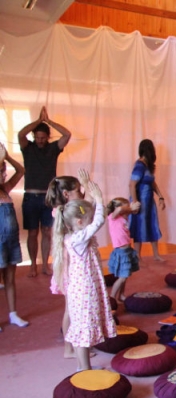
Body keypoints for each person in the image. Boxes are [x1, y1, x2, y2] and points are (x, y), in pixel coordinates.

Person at [51, 181, 116, 371]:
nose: (91, 222)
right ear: (80, 222)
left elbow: (91, 218)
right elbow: (99, 222)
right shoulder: (78, 239)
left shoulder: (73, 236)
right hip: (84, 291)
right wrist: (99, 199)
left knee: (82, 328)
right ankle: (84, 369)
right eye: (88, 219)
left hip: (81, 290)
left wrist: (93, 201)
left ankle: (83, 367)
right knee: (83, 330)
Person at [18, 106, 71, 277]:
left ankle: (45, 265)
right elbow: (21, 134)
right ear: (34, 136)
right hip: (31, 196)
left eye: (43, 138)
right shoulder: (28, 147)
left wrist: (48, 121)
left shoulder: (53, 148)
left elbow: (67, 134)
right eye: (37, 137)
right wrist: (38, 121)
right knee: (33, 232)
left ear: (48, 137)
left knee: (47, 232)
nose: (40, 141)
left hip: (49, 197)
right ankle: (33, 265)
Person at [46, 171, 93, 358]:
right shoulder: (64, 212)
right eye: (78, 190)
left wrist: (86, 188)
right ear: (66, 194)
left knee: (72, 309)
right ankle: (69, 348)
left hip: (72, 265)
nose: (81, 194)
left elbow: (86, 208)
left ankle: (75, 346)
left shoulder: (66, 210)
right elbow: (88, 207)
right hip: (70, 268)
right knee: (70, 310)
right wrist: (88, 186)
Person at [0, 146, 29, 330]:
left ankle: (13, 314)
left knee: (10, 279)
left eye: (4, 171)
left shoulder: (6, 189)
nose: (4, 174)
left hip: (11, 241)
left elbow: (21, 170)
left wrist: (7, 157)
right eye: (1, 171)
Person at [129, 139, 166, 262]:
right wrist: (135, 203)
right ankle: (137, 255)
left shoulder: (147, 166)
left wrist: (160, 196)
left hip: (149, 202)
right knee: (138, 227)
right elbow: (132, 185)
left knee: (152, 225)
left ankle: (156, 254)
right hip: (140, 202)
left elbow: (152, 183)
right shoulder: (139, 165)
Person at [106, 197, 141, 302]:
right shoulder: (112, 217)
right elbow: (120, 209)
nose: (128, 208)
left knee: (125, 275)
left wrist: (134, 206)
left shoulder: (124, 217)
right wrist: (130, 208)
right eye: (127, 206)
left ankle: (121, 295)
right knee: (123, 277)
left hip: (127, 250)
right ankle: (112, 298)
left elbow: (134, 211)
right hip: (121, 252)